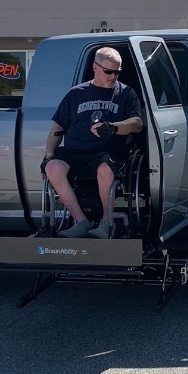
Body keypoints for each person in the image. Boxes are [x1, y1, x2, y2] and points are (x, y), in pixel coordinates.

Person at [42, 47, 143, 238]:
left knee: (104, 169)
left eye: (117, 72)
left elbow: (137, 124)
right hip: (76, 152)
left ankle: (106, 224)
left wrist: (112, 127)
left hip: (107, 153)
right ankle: (81, 222)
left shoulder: (126, 93)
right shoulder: (76, 94)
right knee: (53, 167)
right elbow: (57, 128)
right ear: (95, 68)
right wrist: (48, 156)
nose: (113, 76)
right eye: (108, 71)